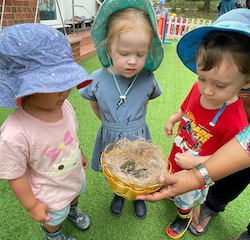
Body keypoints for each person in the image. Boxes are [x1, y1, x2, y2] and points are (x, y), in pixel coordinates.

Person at [136, 9, 250, 239]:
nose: (207, 90)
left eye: (219, 85)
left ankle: (183, 217)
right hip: (180, 151)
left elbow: (227, 156)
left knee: (186, 197)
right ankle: (174, 193)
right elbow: (185, 108)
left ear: (246, 81)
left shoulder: (236, 120)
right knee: (171, 177)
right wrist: (172, 119)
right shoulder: (198, 90)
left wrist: (195, 163)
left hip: (198, 167)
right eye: (202, 78)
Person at [0, 23, 93, 240]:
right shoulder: (15, 133)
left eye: (66, 81)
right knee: (53, 218)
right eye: (53, 85)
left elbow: (71, 135)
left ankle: (73, 209)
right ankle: (54, 235)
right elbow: (15, 173)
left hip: (72, 175)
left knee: (76, 193)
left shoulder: (65, 107)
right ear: (25, 87)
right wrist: (32, 206)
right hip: (49, 193)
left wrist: (78, 153)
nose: (65, 91)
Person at [79, 0, 164, 220]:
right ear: (110, 48)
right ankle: (119, 193)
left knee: (139, 167)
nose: (132, 61)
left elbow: (145, 100)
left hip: (138, 133)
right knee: (116, 168)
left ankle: (138, 196)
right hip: (110, 133)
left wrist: (133, 122)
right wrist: (110, 123)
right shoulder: (97, 78)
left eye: (140, 53)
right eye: (124, 53)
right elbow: (95, 102)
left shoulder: (146, 77)